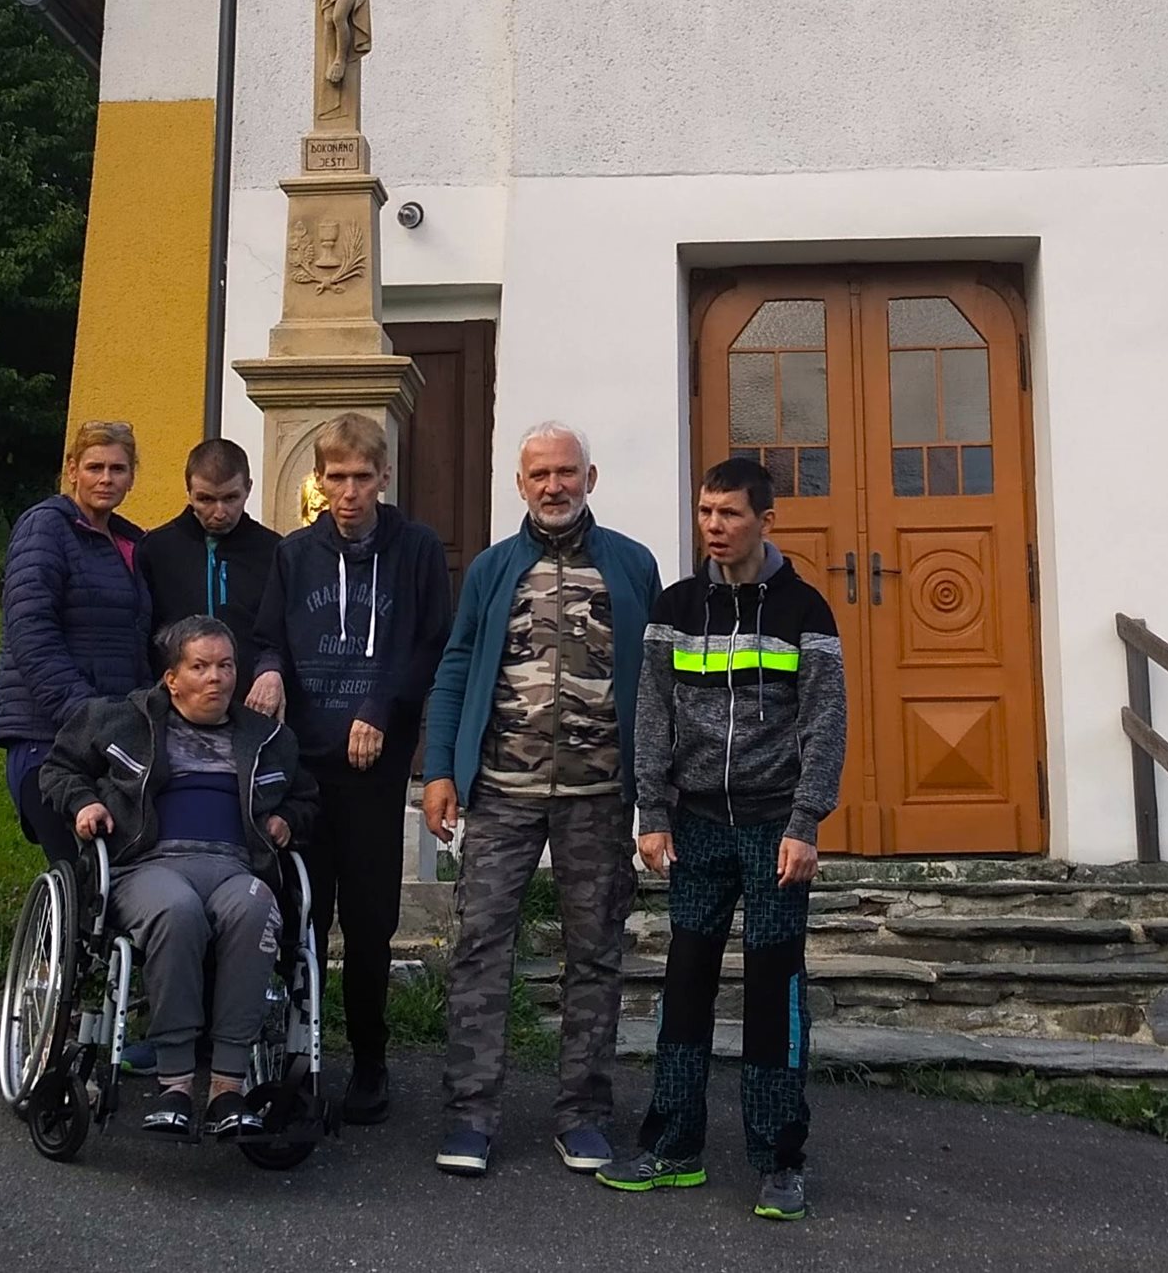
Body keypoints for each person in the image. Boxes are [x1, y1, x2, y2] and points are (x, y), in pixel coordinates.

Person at [599, 456, 847, 1222]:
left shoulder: (806, 610)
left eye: (729, 513)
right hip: (697, 828)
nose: (713, 525)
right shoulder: (676, 608)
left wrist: (805, 823)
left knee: (774, 994)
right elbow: (652, 716)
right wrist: (652, 813)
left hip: (775, 833)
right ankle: (674, 1148)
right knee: (685, 987)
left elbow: (825, 725)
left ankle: (780, 1162)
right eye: (706, 511)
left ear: (765, 520)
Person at [423, 421, 662, 1178]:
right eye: (539, 475)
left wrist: (656, 796)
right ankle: (470, 1115)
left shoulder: (632, 565)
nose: (553, 486)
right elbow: (456, 667)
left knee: (595, 956)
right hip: (501, 793)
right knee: (479, 950)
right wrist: (439, 771)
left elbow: (657, 684)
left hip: (600, 795)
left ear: (590, 479)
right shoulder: (494, 569)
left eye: (566, 472)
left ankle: (584, 1116)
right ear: (520, 485)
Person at [246, 411, 451, 1124]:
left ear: (384, 477)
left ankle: (369, 1058)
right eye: (337, 477)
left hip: (373, 768)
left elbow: (431, 643)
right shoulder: (295, 554)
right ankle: (295, 1056)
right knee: (301, 916)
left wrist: (380, 705)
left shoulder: (416, 549)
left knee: (369, 924)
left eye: (363, 477)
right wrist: (269, 670)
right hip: (305, 770)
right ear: (319, 480)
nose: (350, 492)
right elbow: (269, 635)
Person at [40, 614, 317, 1137]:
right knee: (178, 911)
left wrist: (288, 818)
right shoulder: (121, 721)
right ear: (172, 678)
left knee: (258, 908)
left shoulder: (267, 739)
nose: (217, 678)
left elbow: (306, 797)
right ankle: (175, 1083)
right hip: (147, 866)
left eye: (226, 666)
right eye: (201, 667)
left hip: (235, 867)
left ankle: (228, 1087)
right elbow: (58, 768)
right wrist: (83, 803)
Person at [0, 419, 152, 866]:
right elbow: (31, 634)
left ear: (132, 476)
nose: (106, 479)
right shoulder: (45, 529)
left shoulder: (132, 543)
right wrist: (87, 716)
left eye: (118, 469)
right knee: (80, 871)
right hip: (49, 738)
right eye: (95, 467)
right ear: (72, 469)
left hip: (113, 741)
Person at [139, 437, 278, 659]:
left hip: (250, 680)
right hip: (172, 679)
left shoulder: (274, 552)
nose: (219, 512)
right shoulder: (155, 550)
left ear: (248, 488)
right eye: (206, 499)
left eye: (231, 498)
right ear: (188, 492)